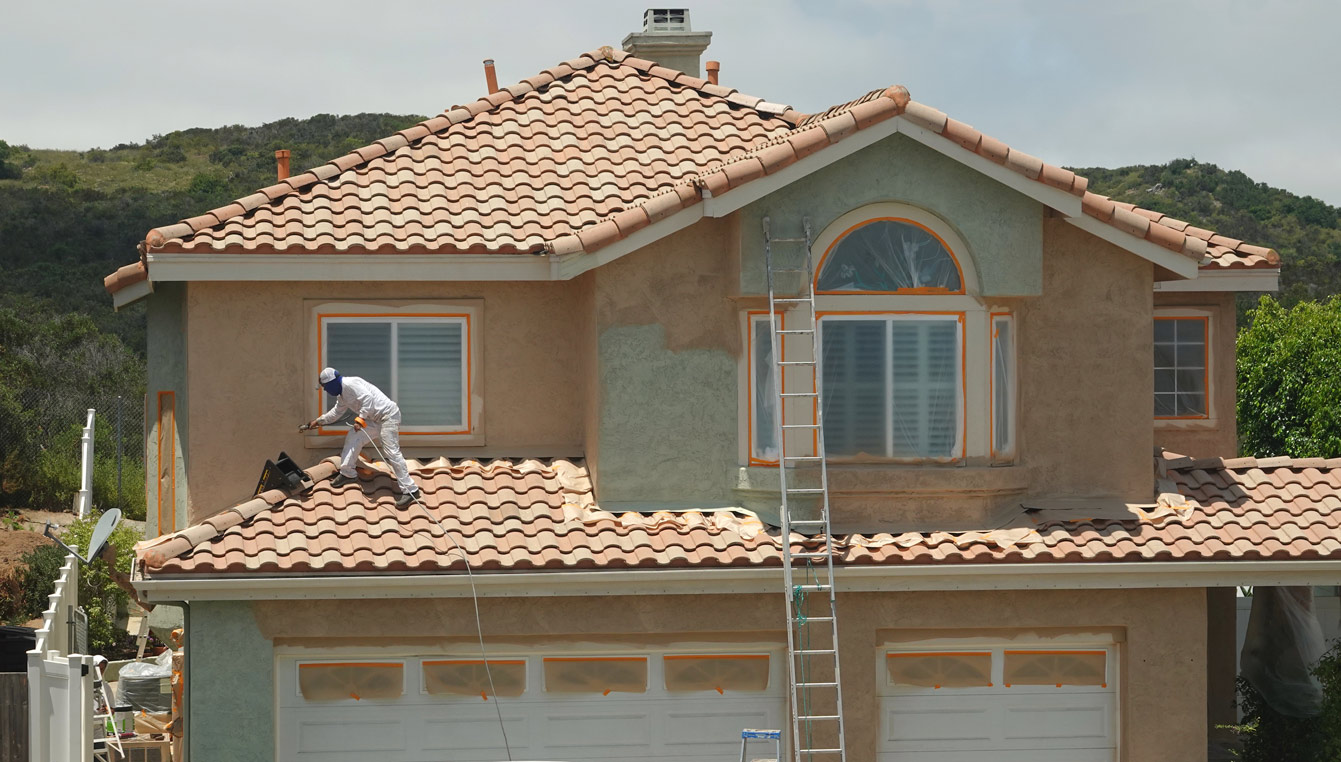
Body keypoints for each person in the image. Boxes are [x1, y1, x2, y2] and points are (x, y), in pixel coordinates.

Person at [299, 367, 421, 507]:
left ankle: (411, 490)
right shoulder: (342, 396)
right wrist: (319, 421)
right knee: (353, 436)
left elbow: (368, 398)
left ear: (332, 383)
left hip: (388, 417)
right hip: (373, 419)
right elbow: (336, 413)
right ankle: (348, 473)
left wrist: (360, 418)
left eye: (325, 387)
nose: (325, 390)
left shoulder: (351, 384)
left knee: (391, 452)